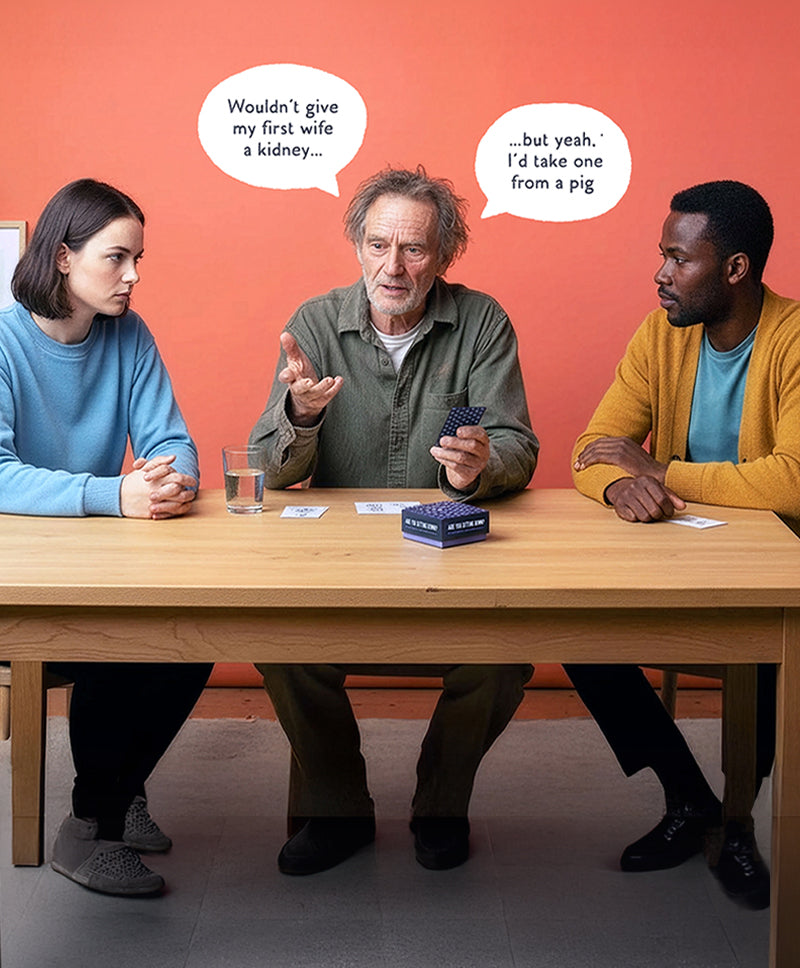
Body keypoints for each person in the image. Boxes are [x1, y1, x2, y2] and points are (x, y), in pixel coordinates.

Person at [250, 166, 538, 875]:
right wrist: (300, 416)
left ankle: (440, 804)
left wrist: (479, 467)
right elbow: (265, 466)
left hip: (452, 558)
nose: (394, 266)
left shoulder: (482, 321)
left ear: (444, 256)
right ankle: (338, 809)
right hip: (335, 562)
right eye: (379, 245)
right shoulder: (315, 323)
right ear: (356, 245)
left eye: (414, 250)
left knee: (503, 657)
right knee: (278, 641)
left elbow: (518, 445)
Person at [568, 180, 800, 910]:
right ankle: (688, 795)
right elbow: (591, 449)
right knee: (573, 624)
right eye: (661, 256)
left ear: (734, 269)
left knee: (763, 653)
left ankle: (738, 828)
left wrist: (661, 471)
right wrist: (617, 486)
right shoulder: (658, 335)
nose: (660, 274)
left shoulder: (794, 340)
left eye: (678, 259)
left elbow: (792, 480)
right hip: (677, 557)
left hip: (772, 566)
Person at [3, 179, 212, 896]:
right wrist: (110, 494)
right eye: (117, 257)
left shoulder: (130, 334)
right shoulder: (2, 344)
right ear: (63, 258)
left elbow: (171, 439)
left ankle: (116, 791)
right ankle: (89, 827)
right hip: (22, 577)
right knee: (118, 646)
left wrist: (171, 481)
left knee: (195, 639)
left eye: (139, 258)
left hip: (99, 553)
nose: (135, 275)